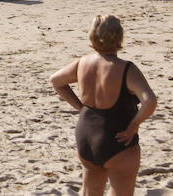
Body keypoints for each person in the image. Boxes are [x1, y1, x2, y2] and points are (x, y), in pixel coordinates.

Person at [50, 15, 158, 196]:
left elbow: (55, 81)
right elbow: (150, 101)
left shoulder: (82, 63)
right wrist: (133, 126)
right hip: (117, 139)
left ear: (92, 36)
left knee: (91, 190)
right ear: (119, 37)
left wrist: (80, 107)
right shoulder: (126, 69)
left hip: (86, 135)